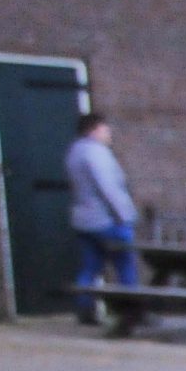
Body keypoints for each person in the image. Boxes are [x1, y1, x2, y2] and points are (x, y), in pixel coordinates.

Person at [65, 112, 138, 322]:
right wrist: (124, 216)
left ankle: (85, 310)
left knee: (90, 266)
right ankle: (132, 311)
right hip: (106, 220)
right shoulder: (96, 153)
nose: (108, 133)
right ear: (94, 129)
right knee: (125, 263)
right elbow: (108, 188)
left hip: (83, 221)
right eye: (105, 129)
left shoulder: (74, 152)